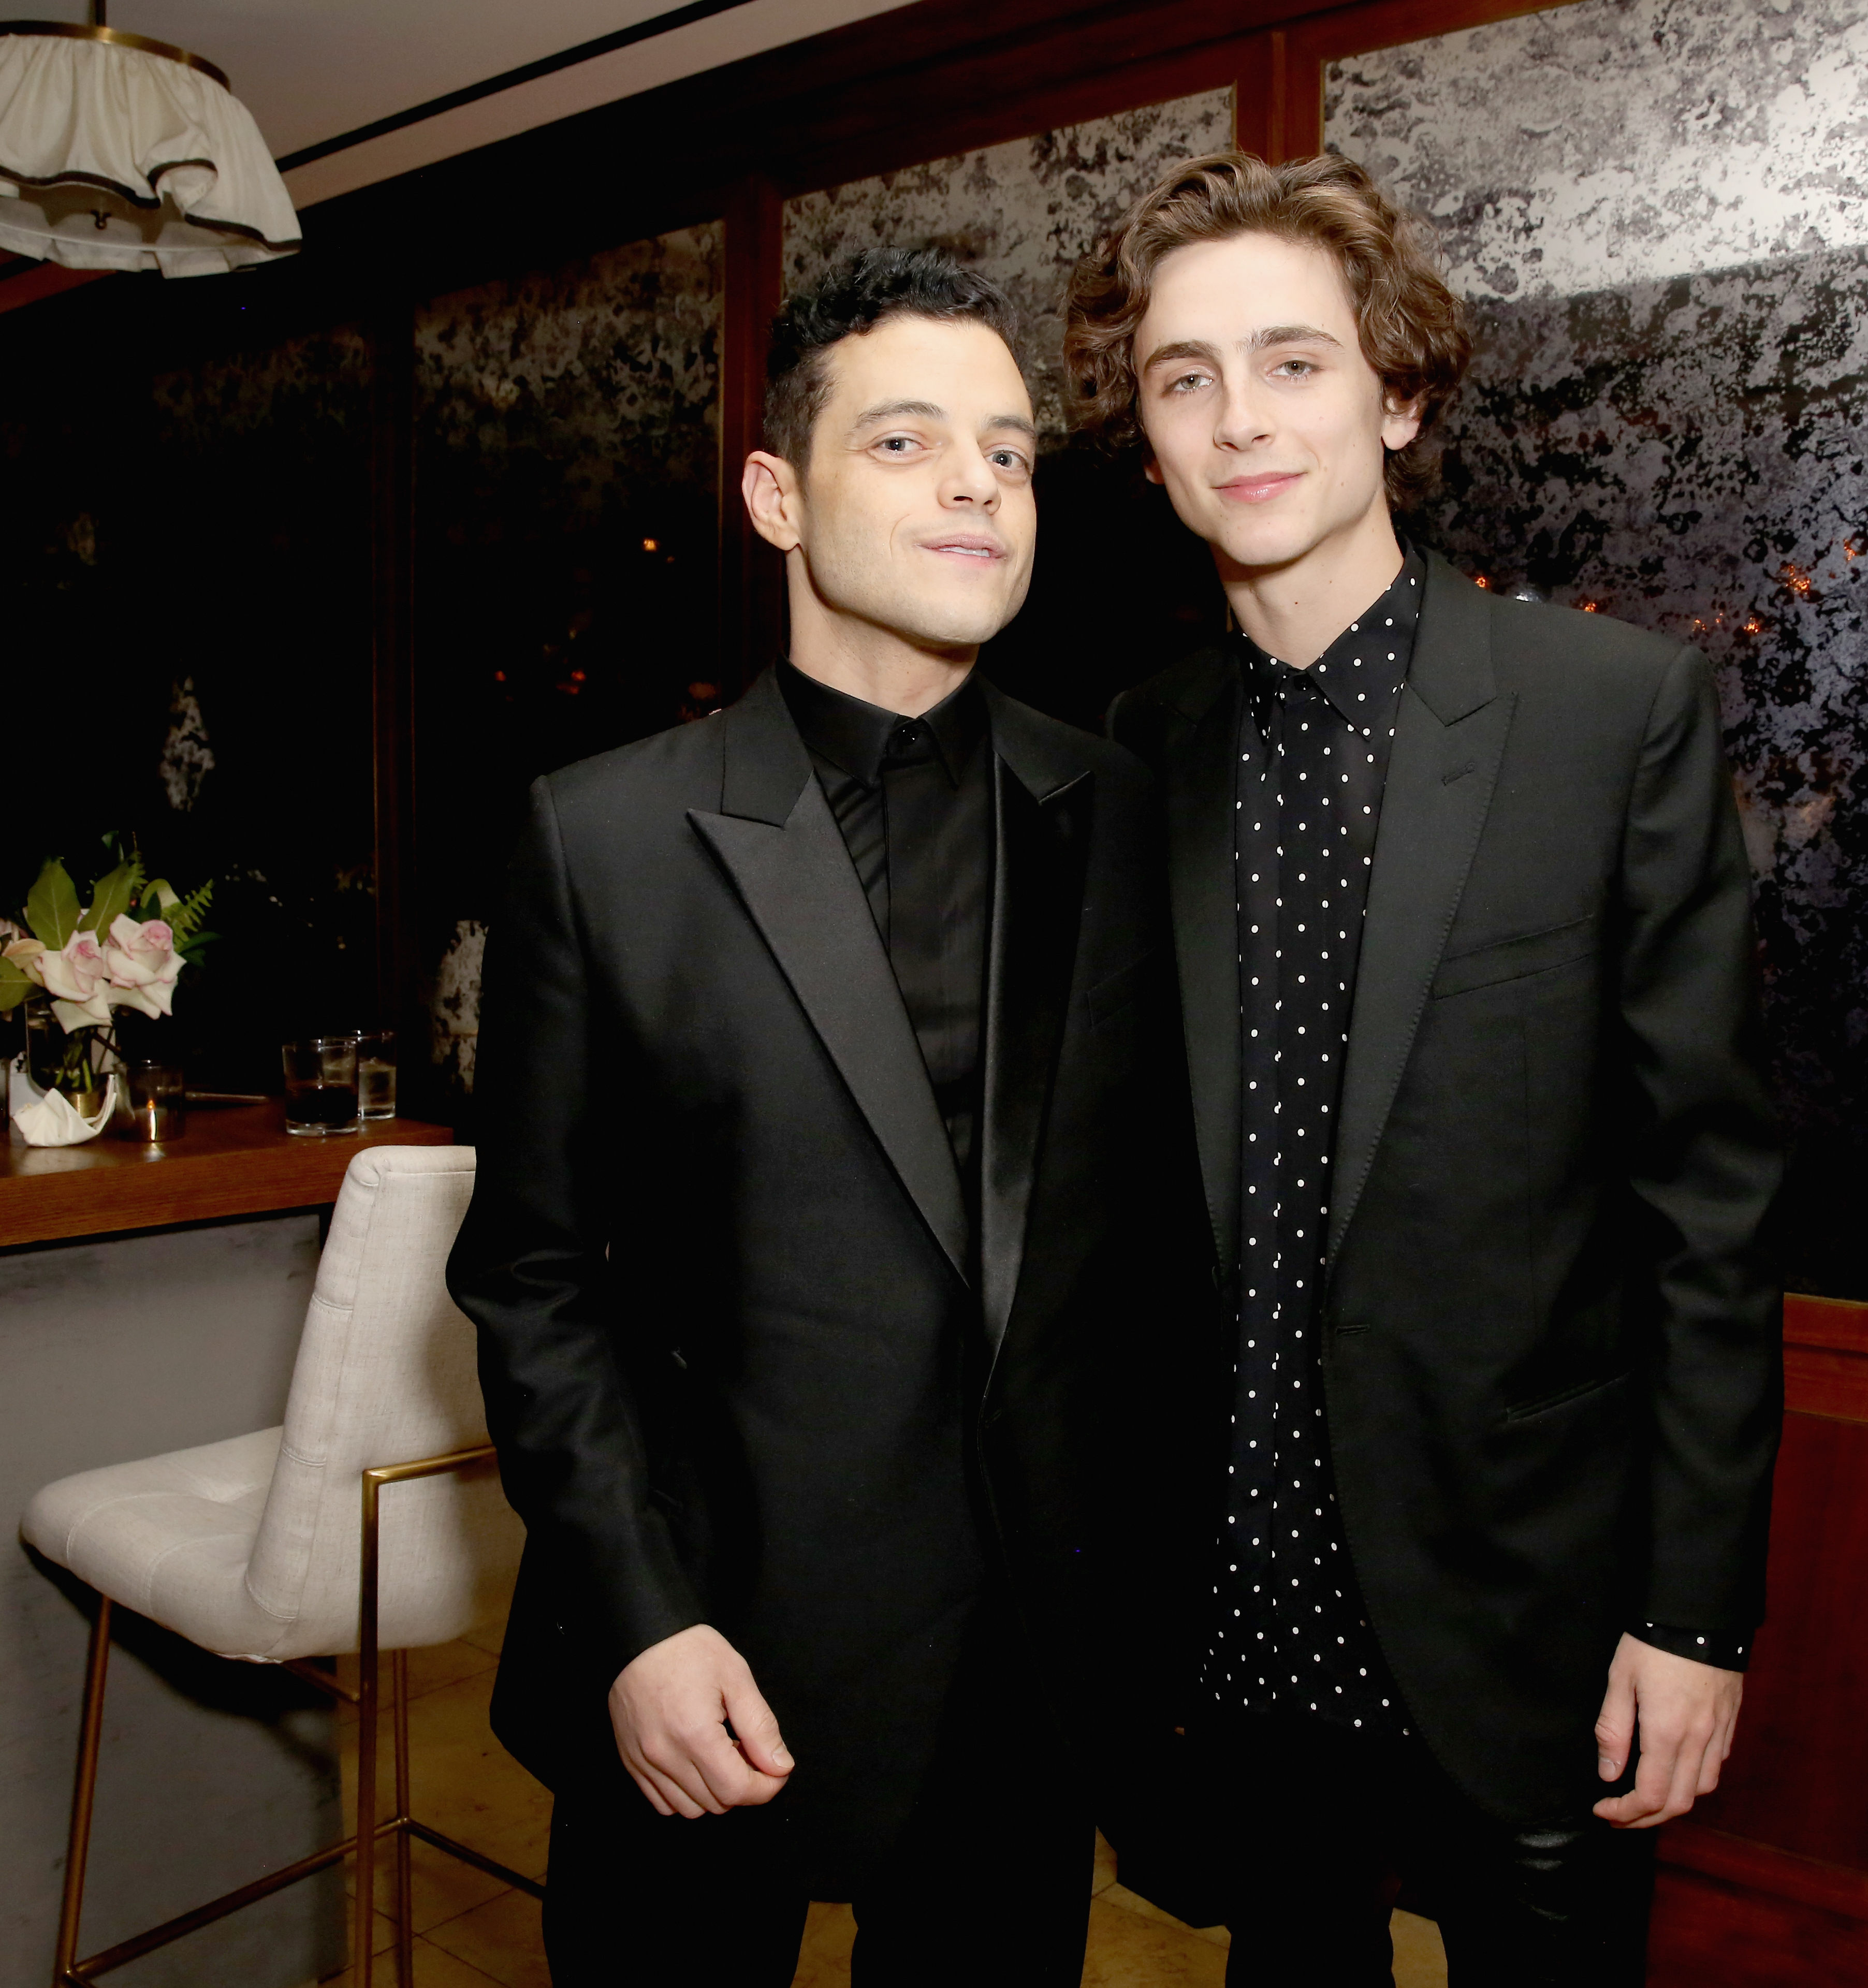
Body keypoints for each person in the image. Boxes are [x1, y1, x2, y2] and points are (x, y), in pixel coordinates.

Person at [1068, 151, 1786, 1984]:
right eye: (1183, 377)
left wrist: (1692, 1617)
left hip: (1528, 1611)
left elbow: (1703, 1202)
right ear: (1144, 438)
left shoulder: (1601, 716)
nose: (1239, 420)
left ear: (1394, 393)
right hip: (1234, 1607)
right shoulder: (1129, 756)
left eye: (1292, 362)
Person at [448, 247, 1202, 1987]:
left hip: (1022, 1684)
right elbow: (534, 1280)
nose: (975, 488)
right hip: (707, 1660)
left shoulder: (1127, 812)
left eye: (1009, 453)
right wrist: (641, 1620)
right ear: (776, 494)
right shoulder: (606, 836)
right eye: (908, 443)